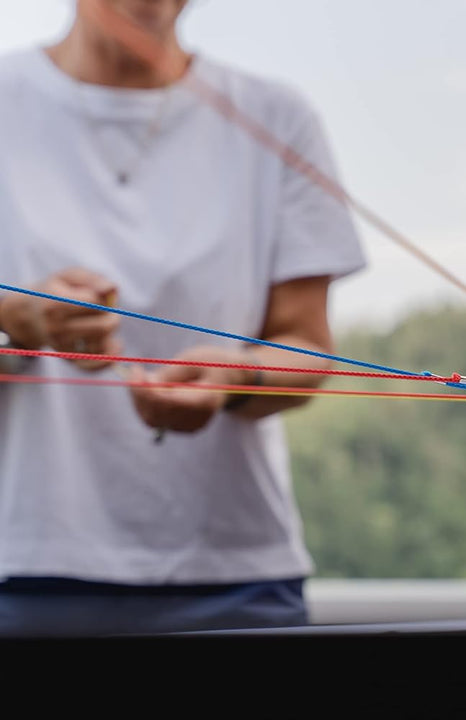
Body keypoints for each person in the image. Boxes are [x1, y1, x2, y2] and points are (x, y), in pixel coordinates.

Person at [0, 0, 366, 635]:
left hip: (235, 570)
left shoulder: (276, 115)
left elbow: (307, 345)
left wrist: (238, 377)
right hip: (23, 558)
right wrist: (12, 316)